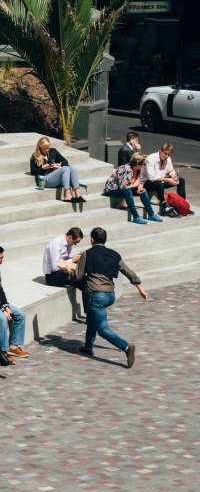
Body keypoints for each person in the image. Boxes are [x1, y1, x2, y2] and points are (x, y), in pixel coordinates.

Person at [73, 227, 146, 368]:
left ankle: (126, 347)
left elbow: (77, 276)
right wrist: (140, 289)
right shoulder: (114, 255)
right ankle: (88, 347)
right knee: (91, 318)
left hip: (96, 295)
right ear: (106, 240)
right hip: (110, 295)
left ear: (92, 240)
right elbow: (128, 272)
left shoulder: (87, 254)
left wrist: (68, 270)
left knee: (102, 329)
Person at [0, 245, 29, 361]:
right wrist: (3, 310)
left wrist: (6, 306)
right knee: (2, 319)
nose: (2, 260)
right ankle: (2, 352)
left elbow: (0, 290)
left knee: (21, 315)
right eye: (1, 258)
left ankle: (14, 346)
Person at [103, 153, 162, 225]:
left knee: (143, 190)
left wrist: (139, 186)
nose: (143, 166)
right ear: (137, 164)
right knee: (127, 191)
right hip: (112, 189)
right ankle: (136, 216)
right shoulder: (126, 169)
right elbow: (123, 187)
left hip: (127, 188)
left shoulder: (138, 170)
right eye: (142, 164)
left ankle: (151, 214)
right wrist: (135, 185)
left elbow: (138, 181)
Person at [30, 137, 85, 203]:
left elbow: (65, 161)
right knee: (65, 169)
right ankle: (67, 195)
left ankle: (78, 195)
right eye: (44, 148)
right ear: (40, 147)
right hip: (44, 180)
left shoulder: (53, 151)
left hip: (54, 177)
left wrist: (59, 165)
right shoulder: (35, 156)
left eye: (48, 147)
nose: (47, 150)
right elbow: (33, 172)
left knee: (72, 168)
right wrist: (43, 168)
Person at [140, 143, 188, 216]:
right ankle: (165, 207)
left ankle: (182, 205)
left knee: (181, 180)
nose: (166, 156)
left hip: (160, 180)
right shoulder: (151, 159)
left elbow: (170, 170)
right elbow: (151, 177)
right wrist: (168, 180)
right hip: (147, 182)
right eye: (165, 154)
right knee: (158, 184)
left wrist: (174, 178)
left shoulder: (167, 158)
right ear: (160, 151)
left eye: (168, 154)